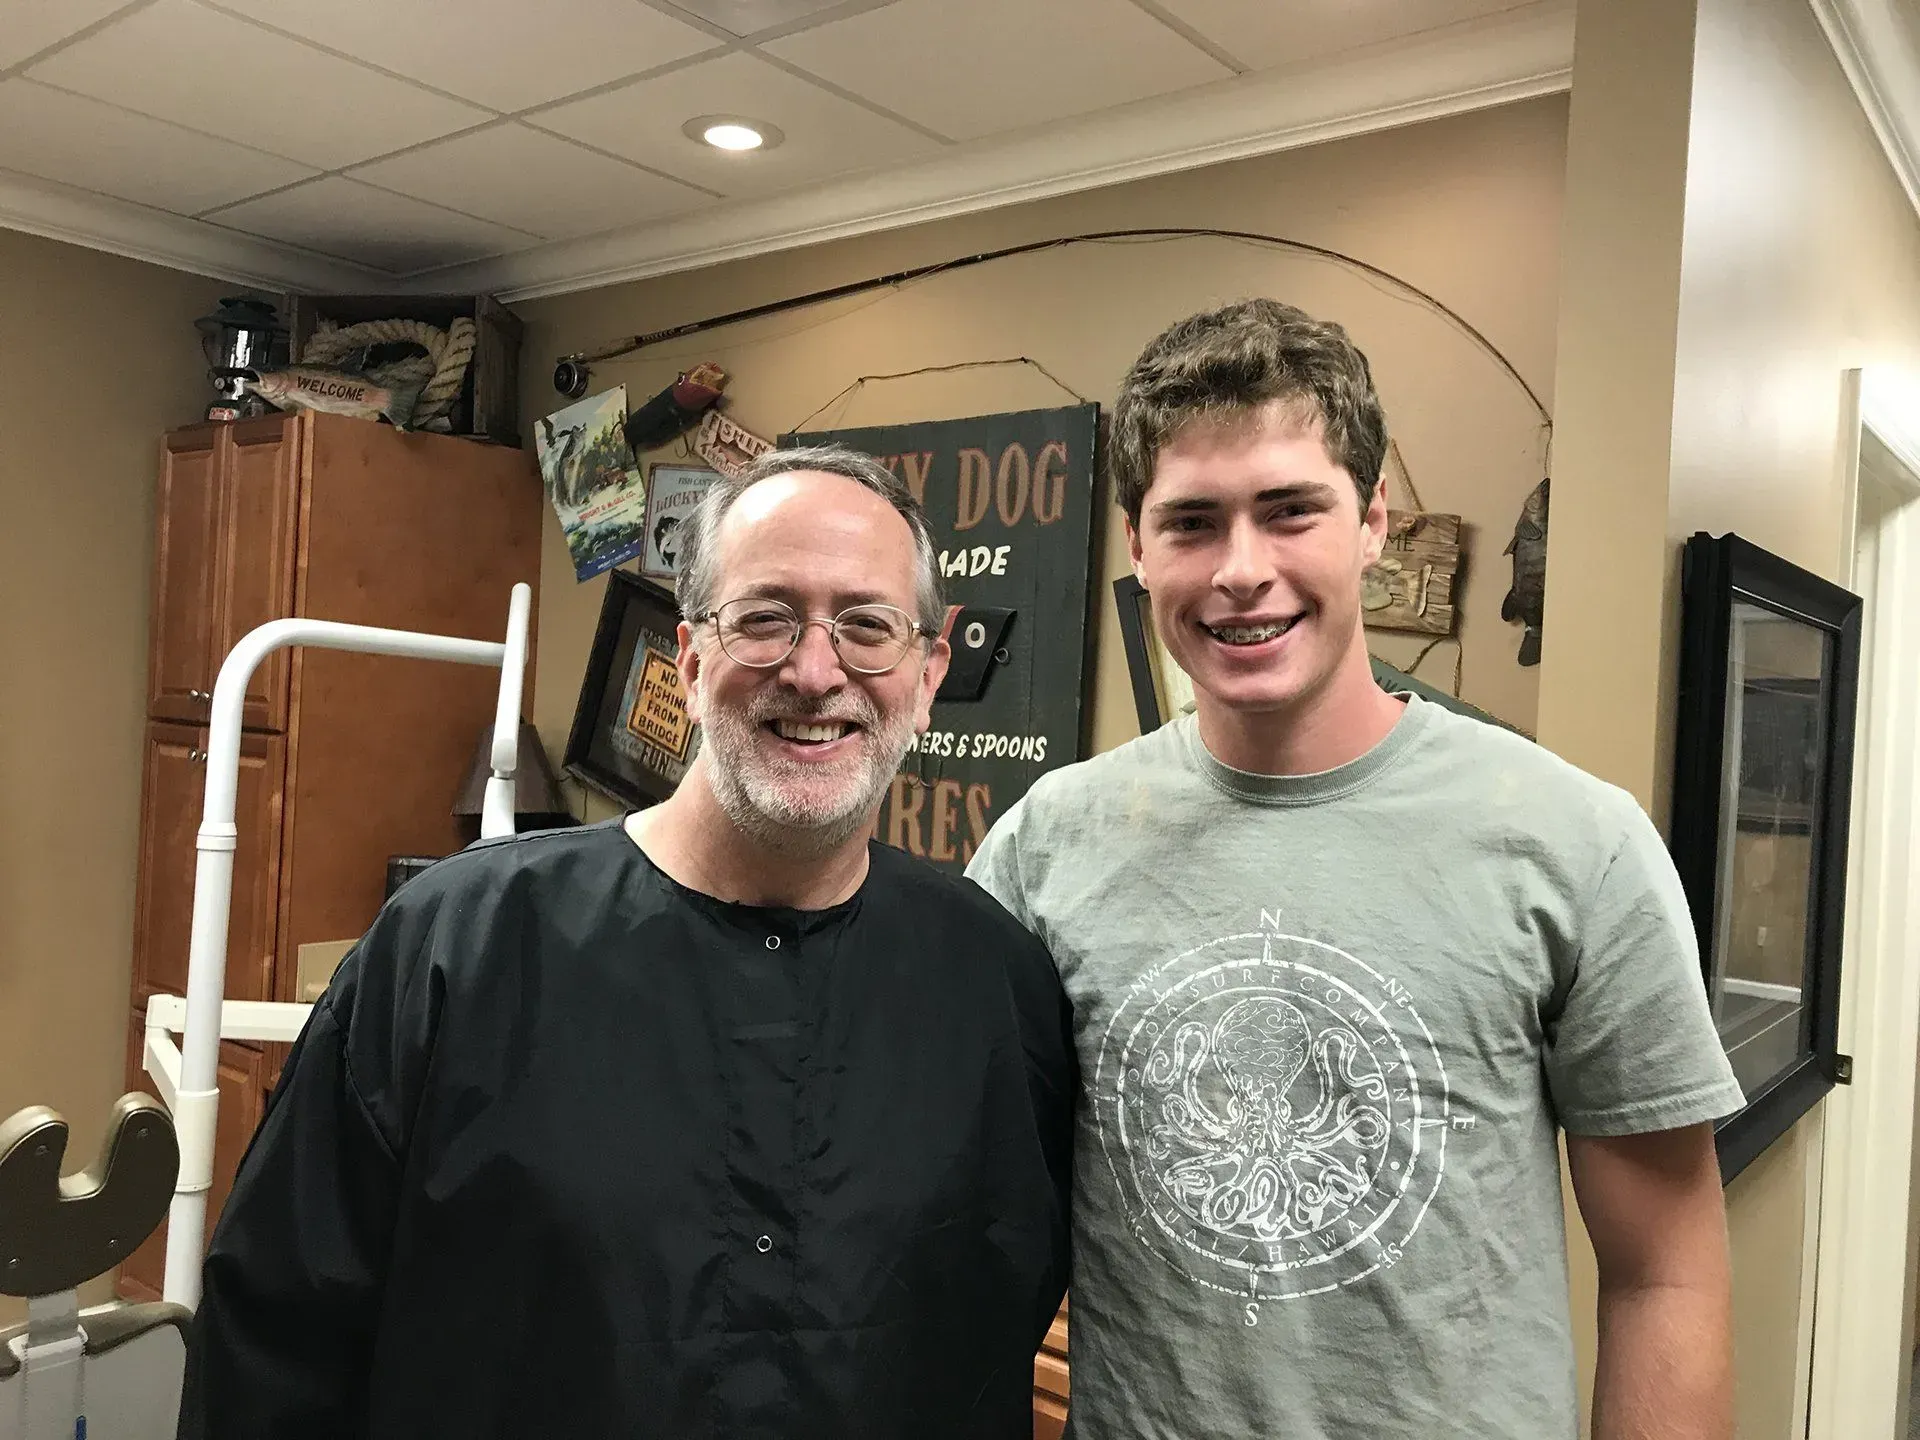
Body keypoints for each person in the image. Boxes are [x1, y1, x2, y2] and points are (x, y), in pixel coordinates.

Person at [179, 445, 1075, 1439]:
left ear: (928, 672)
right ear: (688, 661)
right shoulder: (457, 951)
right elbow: (271, 1352)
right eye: (766, 617)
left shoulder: (995, 989)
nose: (816, 671)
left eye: (866, 627)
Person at [967, 300, 1742, 1439]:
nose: (1242, 571)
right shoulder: (1044, 848)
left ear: (1374, 519)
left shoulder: (1575, 842)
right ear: (1137, 546)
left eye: (1291, 512)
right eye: (1191, 523)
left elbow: (1667, 1275)